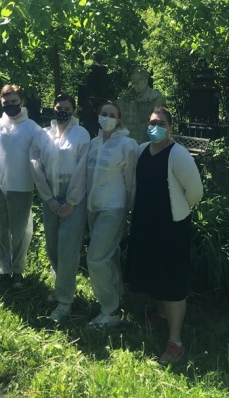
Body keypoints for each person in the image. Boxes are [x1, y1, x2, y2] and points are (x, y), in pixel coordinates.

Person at [126, 106, 203, 365]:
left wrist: (178, 210)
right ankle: (160, 314)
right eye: (151, 122)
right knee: (154, 270)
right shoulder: (141, 150)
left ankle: (175, 342)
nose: (154, 126)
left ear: (170, 127)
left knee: (172, 279)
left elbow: (196, 192)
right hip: (145, 223)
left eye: (160, 122)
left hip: (171, 225)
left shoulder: (178, 154)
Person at [30, 94, 90, 320]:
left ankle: (65, 300)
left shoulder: (81, 134)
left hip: (74, 198)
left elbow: (82, 169)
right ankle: (60, 287)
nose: (62, 110)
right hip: (51, 197)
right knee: (52, 246)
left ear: (73, 110)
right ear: (53, 109)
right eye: (59, 107)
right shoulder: (43, 134)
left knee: (68, 249)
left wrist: (71, 201)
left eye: (67, 107)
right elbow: (35, 164)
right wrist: (50, 199)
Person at [86, 101, 137, 327]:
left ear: (119, 120)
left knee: (95, 258)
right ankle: (118, 294)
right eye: (103, 113)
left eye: (112, 114)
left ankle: (110, 310)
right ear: (98, 116)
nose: (107, 117)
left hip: (114, 207)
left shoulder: (127, 144)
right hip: (93, 207)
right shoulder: (94, 143)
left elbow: (131, 180)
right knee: (110, 254)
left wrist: (130, 206)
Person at [0, 84, 41, 289]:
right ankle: (4, 269)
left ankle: (18, 270)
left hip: (22, 187)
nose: (10, 105)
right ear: (1, 102)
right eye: (6, 102)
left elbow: (37, 158)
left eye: (14, 102)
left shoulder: (33, 128)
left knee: (19, 231)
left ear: (22, 102)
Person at [117, 68, 166, 144]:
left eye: (137, 83)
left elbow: (160, 120)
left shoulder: (155, 97)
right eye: (133, 83)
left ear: (145, 81)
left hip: (146, 140)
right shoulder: (127, 96)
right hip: (128, 141)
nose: (134, 86)